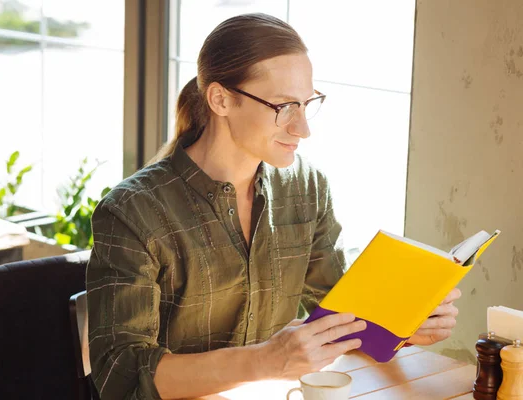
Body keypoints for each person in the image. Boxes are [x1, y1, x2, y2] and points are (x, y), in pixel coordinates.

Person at [86, 13, 461, 400]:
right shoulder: (132, 212)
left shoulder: (307, 188)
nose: (303, 128)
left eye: (307, 103)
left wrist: (403, 324)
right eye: (283, 107)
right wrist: (267, 360)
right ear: (221, 99)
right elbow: (121, 374)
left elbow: (342, 311)